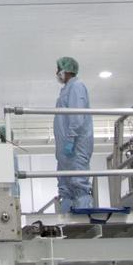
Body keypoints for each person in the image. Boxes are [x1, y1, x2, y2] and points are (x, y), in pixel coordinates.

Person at [53, 57, 94, 213]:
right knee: (65, 183)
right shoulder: (65, 90)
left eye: (58, 69)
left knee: (78, 182)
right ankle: (66, 213)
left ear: (66, 70)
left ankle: (83, 218)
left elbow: (77, 116)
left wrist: (70, 139)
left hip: (76, 145)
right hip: (65, 148)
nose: (57, 73)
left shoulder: (77, 86)